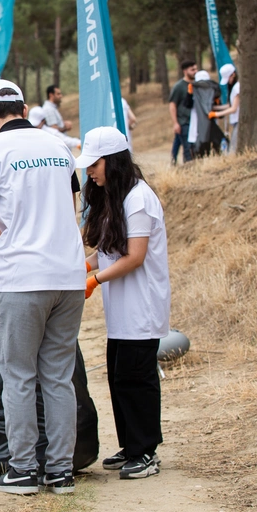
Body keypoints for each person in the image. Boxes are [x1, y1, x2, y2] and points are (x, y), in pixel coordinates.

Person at [0, 80, 85, 496]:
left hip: (22, 279)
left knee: (18, 376)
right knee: (58, 377)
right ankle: (60, 471)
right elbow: (74, 212)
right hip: (68, 276)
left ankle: (21, 469)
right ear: (23, 107)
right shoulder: (59, 146)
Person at [79, 127, 170, 480]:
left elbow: (134, 256)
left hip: (141, 306)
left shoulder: (139, 199)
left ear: (113, 161)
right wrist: (82, 267)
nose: (90, 172)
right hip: (121, 310)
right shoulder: (114, 198)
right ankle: (131, 445)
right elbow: (106, 251)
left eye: (95, 164)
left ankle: (145, 450)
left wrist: (94, 281)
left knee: (137, 378)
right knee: (119, 377)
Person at [168, 60, 198, 165]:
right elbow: (172, 105)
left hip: (194, 121)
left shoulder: (197, 84)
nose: (195, 71)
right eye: (192, 69)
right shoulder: (179, 86)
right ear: (185, 71)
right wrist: (175, 123)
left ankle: (173, 161)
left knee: (180, 142)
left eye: (196, 69)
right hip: (184, 121)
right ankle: (188, 166)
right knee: (187, 147)